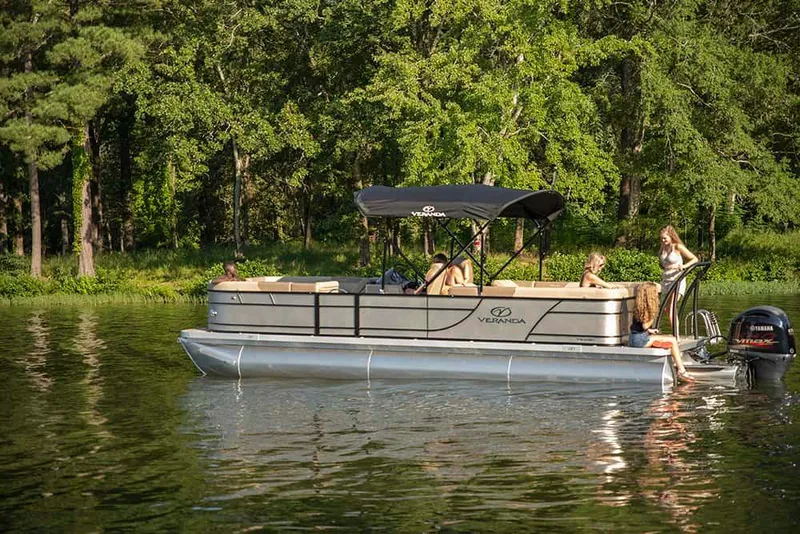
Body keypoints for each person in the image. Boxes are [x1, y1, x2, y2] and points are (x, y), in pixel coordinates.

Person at [629, 282, 695, 382]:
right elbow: (645, 325)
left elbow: (639, 326)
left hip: (634, 338)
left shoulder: (639, 306)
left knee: (666, 337)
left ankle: (674, 362)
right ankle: (681, 370)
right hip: (640, 340)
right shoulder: (648, 308)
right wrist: (653, 315)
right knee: (672, 340)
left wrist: (650, 330)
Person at [659, 225, 698, 335]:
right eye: (661, 238)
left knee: (671, 306)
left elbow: (695, 259)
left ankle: (676, 334)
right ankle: (670, 331)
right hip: (666, 279)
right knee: (665, 309)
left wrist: (684, 266)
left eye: (665, 238)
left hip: (677, 279)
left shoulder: (678, 247)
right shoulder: (662, 247)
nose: (663, 240)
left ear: (671, 236)